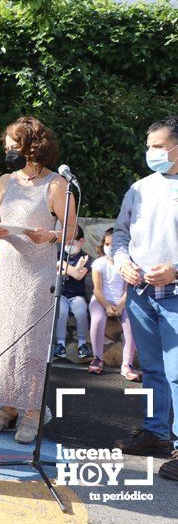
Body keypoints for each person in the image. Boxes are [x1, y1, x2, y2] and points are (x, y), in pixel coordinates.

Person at [0, 116, 76, 445]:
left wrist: (50, 236)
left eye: (13, 142)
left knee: (31, 343)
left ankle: (32, 411)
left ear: (33, 145)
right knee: (4, 337)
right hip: (6, 268)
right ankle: (8, 407)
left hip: (37, 273)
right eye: (7, 143)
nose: (7, 148)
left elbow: (72, 232)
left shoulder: (56, 184)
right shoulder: (5, 181)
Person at [111, 116, 178, 482]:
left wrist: (176, 269)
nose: (150, 152)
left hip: (175, 293)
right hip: (140, 292)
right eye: (148, 145)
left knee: (177, 372)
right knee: (151, 369)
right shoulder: (139, 188)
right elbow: (120, 234)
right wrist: (122, 263)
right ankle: (156, 433)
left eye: (157, 146)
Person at [88, 228, 137, 378]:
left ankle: (127, 364)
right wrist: (107, 306)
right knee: (97, 320)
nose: (109, 248)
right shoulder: (99, 263)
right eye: (107, 244)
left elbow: (128, 289)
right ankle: (97, 358)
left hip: (123, 300)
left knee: (132, 324)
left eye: (113, 245)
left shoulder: (127, 265)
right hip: (100, 300)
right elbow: (97, 290)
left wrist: (121, 305)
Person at [53, 225, 92, 362]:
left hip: (77, 295)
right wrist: (75, 269)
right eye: (66, 242)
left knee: (81, 311)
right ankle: (60, 344)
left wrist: (63, 265)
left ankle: (82, 343)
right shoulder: (58, 255)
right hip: (61, 294)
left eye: (71, 242)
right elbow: (59, 272)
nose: (67, 246)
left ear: (81, 241)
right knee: (61, 311)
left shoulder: (86, 258)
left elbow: (78, 276)